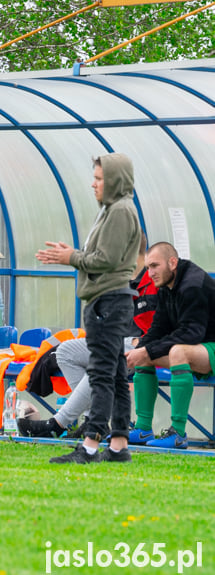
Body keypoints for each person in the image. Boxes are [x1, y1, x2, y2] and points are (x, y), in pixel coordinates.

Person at [36, 152, 141, 464]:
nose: (93, 184)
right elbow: (104, 256)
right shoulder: (113, 210)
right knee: (116, 373)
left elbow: (106, 259)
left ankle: (91, 444)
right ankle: (119, 444)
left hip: (108, 300)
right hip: (109, 299)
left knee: (102, 372)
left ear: (115, 181)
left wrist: (71, 258)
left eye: (99, 179)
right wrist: (75, 254)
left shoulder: (120, 211)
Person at [19, 234, 156, 439]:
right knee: (65, 351)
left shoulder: (155, 280)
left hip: (140, 347)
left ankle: (57, 424)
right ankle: (93, 421)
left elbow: (164, 326)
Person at [125, 242, 215, 449]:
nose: (150, 273)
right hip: (199, 348)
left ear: (172, 262)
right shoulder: (166, 286)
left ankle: (178, 433)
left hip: (209, 345)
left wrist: (148, 350)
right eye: (147, 267)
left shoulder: (193, 284)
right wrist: (139, 352)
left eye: (155, 266)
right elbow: (158, 328)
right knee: (144, 354)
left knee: (177, 351)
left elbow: (191, 334)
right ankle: (143, 427)